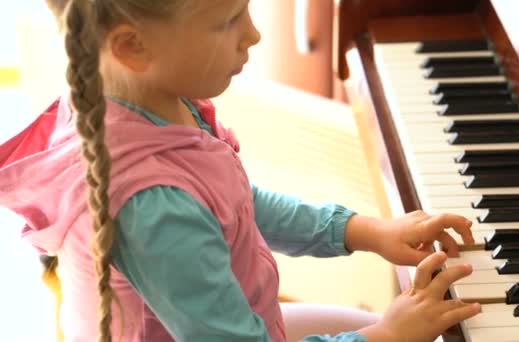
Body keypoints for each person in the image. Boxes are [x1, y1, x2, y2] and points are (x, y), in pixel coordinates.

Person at [0, 0, 481, 341]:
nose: (254, 34)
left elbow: (234, 198)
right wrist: (387, 336)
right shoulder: (151, 209)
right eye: (229, 20)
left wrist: (364, 231)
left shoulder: (150, 100)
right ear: (133, 47)